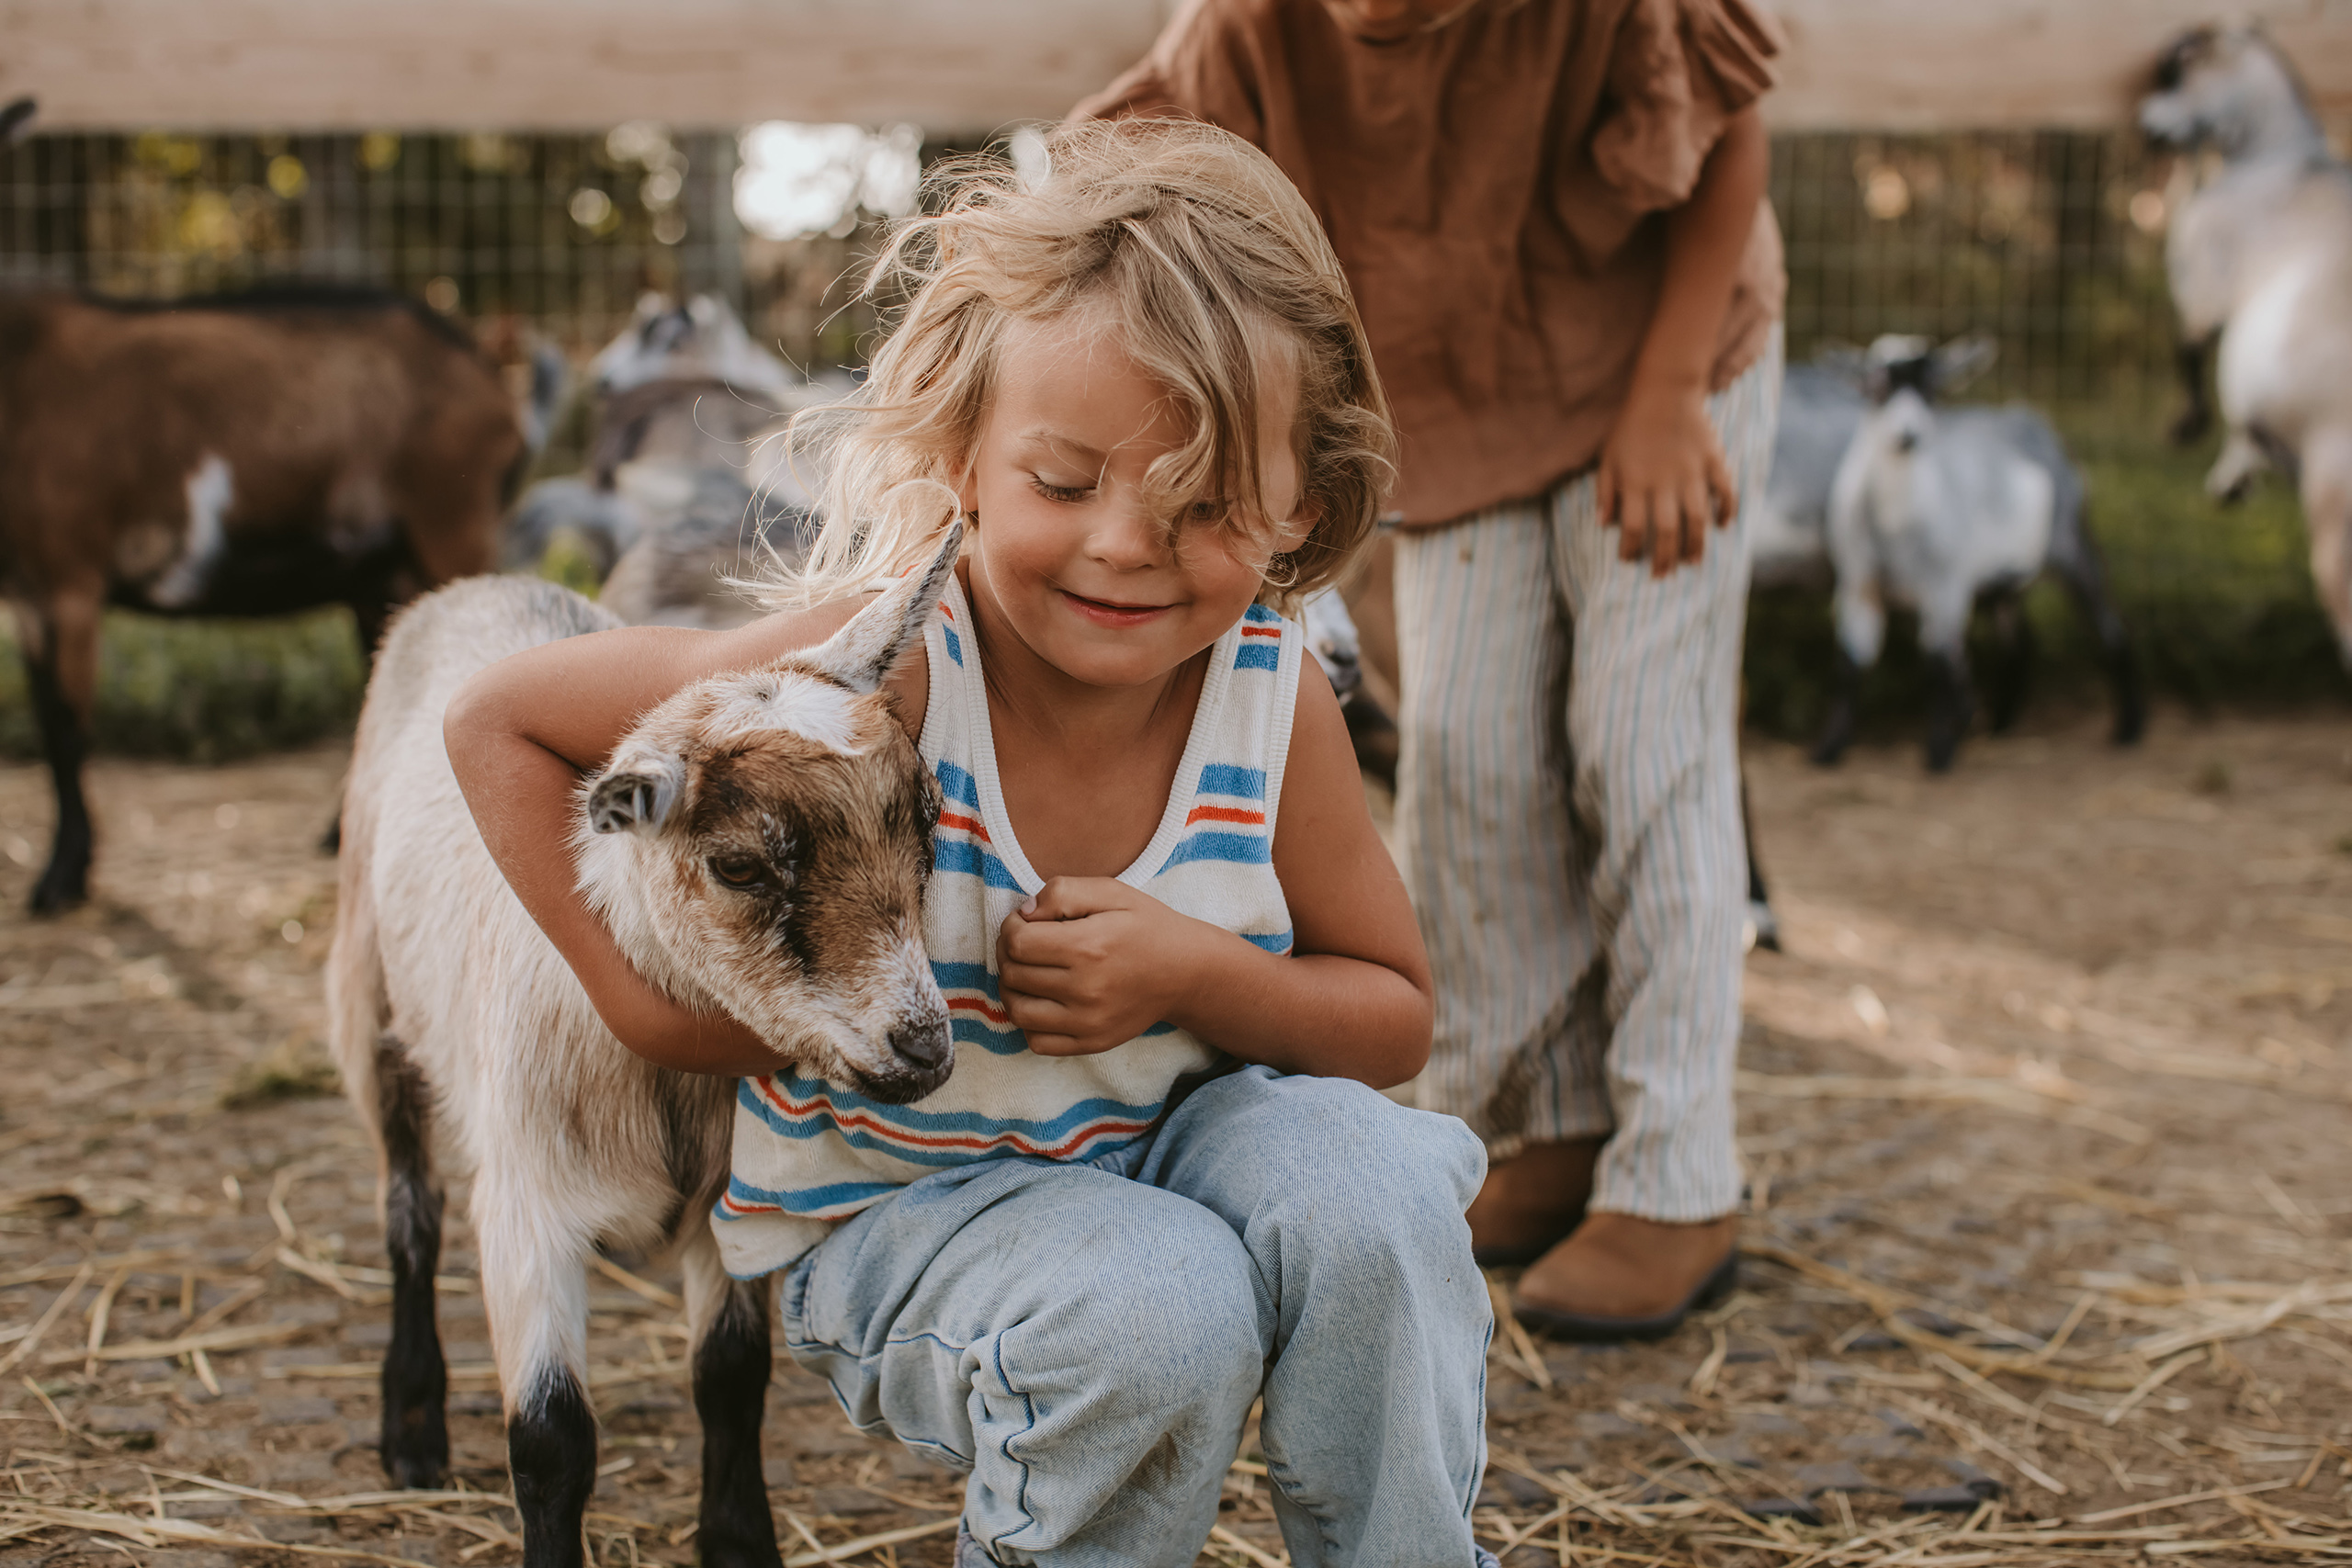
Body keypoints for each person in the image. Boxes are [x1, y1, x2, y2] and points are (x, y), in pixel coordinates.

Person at [444, 119, 1498, 1568]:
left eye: (1198, 502)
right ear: (963, 463)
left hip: (1189, 1148)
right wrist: (647, 1009)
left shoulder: (1274, 691)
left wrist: (1195, 974)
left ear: (1297, 505)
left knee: (1372, 1193)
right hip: (908, 1202)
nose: (1126, 543)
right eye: (1065, 485)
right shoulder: (872, 673)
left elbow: (1391, 1018)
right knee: (1156, 1304)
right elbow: (497, 720)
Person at [1078, 0, 1786, 1339]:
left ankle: (1679, 1173)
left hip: (1662, 363)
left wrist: (1671, 390)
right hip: (1459, 396)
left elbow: (1728, 131)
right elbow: (1124, 169)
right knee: (1466, 756)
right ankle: (1548, 1121)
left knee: (1640, 750)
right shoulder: (1249, 29)